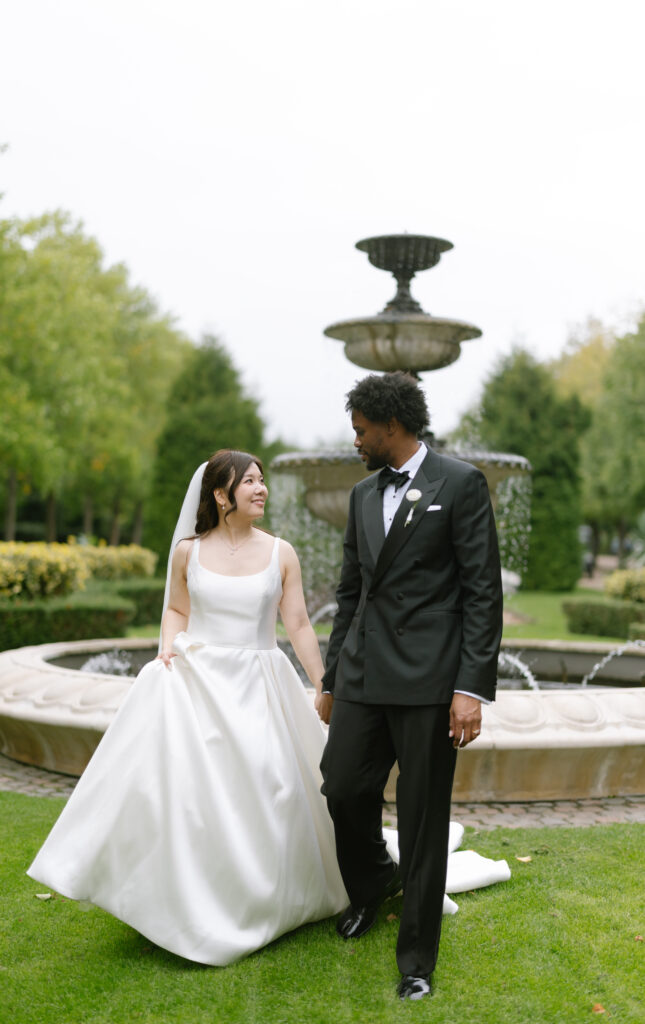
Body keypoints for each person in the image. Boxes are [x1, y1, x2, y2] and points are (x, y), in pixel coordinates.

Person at [28, 449, 348, 964]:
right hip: (199, 681)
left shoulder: (281, 552)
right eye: (250, 482)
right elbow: (178, 609)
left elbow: (300, 624)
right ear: (221, 495)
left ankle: (270, 895)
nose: (261, 489)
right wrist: (167, 648)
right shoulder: (187, 552)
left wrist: (321, 684)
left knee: (274, 788)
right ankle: (190, 899)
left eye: (262, 480)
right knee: (194, 796)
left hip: (261, 683)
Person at [320, 372, 504, 1001]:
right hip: (365, 674)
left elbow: (483, 591)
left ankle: (417, 961)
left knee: (424, 820)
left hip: (431, 683)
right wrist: (332, 676)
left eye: (361, 430)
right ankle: (374, 883)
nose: (356, 441)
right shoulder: (360, 494)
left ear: (391, 426)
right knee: (342, 786)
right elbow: (351, 592)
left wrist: (471, 688)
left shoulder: (461, 483)